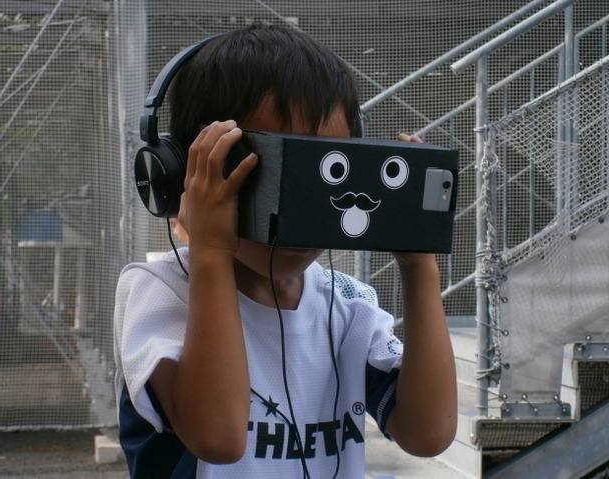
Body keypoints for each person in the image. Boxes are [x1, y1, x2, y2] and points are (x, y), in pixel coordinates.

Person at [114, 24, 457, 478]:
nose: (298, 208)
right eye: (269, 172)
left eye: (324, 169)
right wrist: (210, 250)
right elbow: (218, 438)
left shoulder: (348, 305)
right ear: (184, 174)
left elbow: (429, 433)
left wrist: (419, 265)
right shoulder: (159, 294)